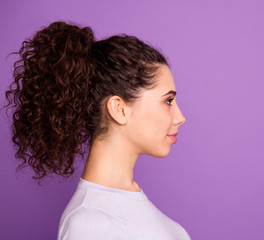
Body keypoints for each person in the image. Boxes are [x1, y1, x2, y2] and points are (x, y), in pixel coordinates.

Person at [2, 21, 190, 239]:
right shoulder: (90, 223)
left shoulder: (122, 204)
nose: (180, 117)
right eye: (168, 101)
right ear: (119, 109)